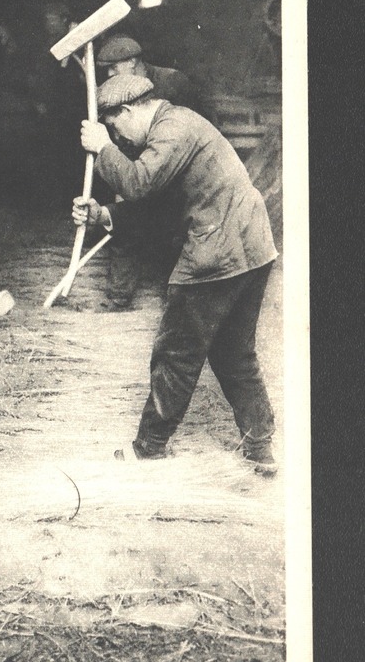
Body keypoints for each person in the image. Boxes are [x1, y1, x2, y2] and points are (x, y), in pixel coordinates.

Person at [73, 73, 278, 475]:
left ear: (129, 111)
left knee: (176, 352)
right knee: (234, 351)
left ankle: (149, 447)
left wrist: (100, 149)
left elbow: (138, 184)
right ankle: (259, 446)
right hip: (252, 247)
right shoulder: (174, 128)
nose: (119, 141)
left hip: (218, 249)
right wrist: (102, 215)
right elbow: (158, 206)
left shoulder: (173, 130)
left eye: (115, 129)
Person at [92, 33, 217, 309]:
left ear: (134, 62)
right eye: (106, 69)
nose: (109, 75)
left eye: (114, 68)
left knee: (177, 226)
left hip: (173, 166)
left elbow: (195, 126)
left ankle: (176, 293)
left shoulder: (173, 83)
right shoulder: (117, 89)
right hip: (135, 164)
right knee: (125, 218)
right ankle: (119, 294)